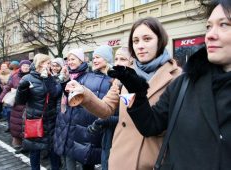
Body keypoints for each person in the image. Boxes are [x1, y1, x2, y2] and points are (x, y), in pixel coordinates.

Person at [110, 1, 230, 169]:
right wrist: (137, 93)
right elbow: (152, 124)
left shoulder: (176, 76)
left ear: (160, 42)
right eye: (208, 26)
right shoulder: (186, 82)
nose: (210, 34)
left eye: (224, 24)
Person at [65, 17, 181, 170]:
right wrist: (84, 93)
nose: (140, 46)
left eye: (147, 39)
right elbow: (106, 109)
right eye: (136, 41)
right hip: (121, 158)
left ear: (160, 40)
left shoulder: (177, 76)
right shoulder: (125, 75)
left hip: (153, 161)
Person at [54, 46, 113, 170]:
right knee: (79, 157)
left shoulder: (113, 80)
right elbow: (74, 97)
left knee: (89, 160)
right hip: (81, 124)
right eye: (94, 58)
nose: (95, 60)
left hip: (96, 125)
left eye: (98, 57)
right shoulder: (88, 77)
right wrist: (65, 82)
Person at [86, 47, 133, 170]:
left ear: (132, 62)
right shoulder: (117, 81)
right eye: (116, 59)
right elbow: (105, 107)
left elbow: (130, 119)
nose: (117, 63)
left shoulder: (134, 84)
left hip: (126, 140)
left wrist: (106, 120)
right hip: (109, 136)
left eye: (122, 59)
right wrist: (84, 96)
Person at [15, 54, 62, 170]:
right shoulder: (27, 78)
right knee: (35, 149)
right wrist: (21, 89)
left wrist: (48, 79)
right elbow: (20, 101)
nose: (50, 65)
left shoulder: (51, 77)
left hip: (51, 119)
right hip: (34, 119)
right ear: (40, 64)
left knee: (53, 150)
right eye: (48, 63)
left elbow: (55, 94)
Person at [0, 60, 31, 153]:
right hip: (17, 104)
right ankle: (19, 142)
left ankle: (27, 145)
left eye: (27, 66)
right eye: (24, 65)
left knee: (27, 125)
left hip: (29, 104)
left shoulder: (33, 76)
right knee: (17, 124)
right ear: (20, 67)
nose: (26, 67)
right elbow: (7, 87)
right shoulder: (15, 76)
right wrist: (0, 99)